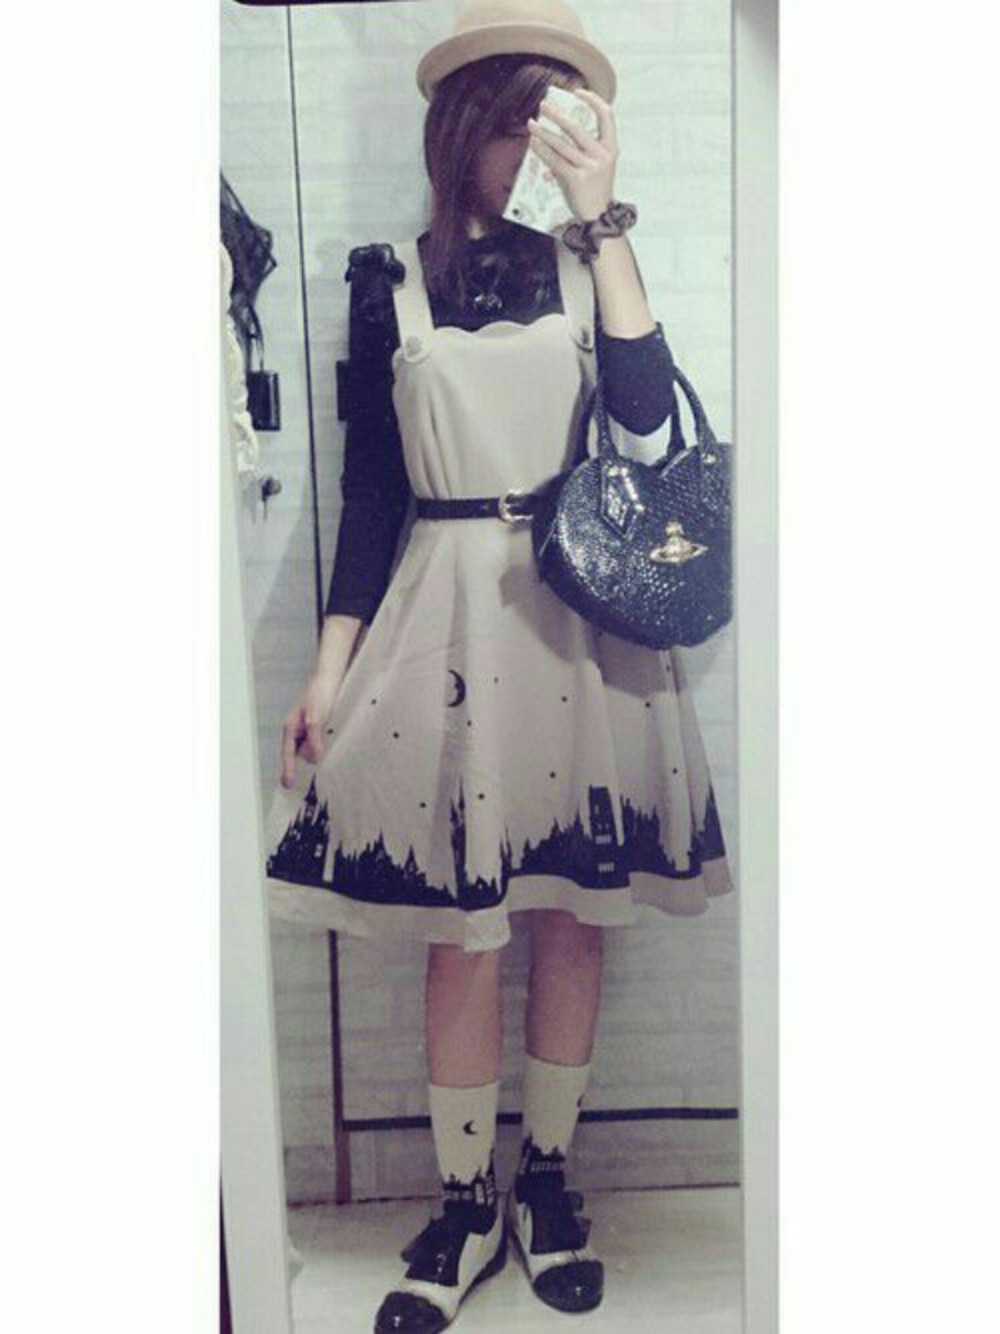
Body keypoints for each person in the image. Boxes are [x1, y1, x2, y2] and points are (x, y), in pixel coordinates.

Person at [263, 3, 734, 1330]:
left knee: (573, 912)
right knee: (462, 932)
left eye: (561, 116)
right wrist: (329, 667)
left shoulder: (592, 265)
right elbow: (372, 493)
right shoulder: (387, 283)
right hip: (447, 625)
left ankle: (547, 1182)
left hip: (583, 623)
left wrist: (604, 221)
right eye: (519, 117)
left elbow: (648, 431)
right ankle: (465, 1199)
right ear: (461, 127)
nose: (538, 142)